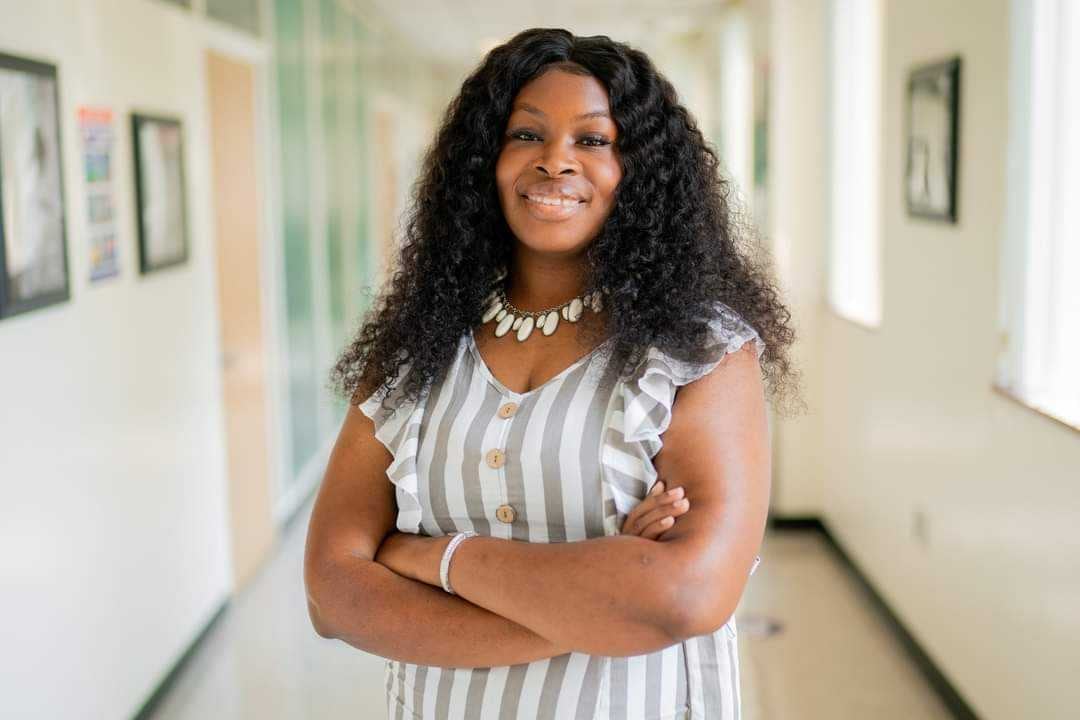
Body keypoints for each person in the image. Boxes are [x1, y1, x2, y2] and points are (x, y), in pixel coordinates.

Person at [304, 27, 800, 720]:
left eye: (593, 140)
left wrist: (429, 558)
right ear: (485, 160)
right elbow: (332, 596)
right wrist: (604, 601)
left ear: (641, 170)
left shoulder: (700, 352)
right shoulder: (415, 349)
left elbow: (684, 598)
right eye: (525, 135)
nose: (556, 162)